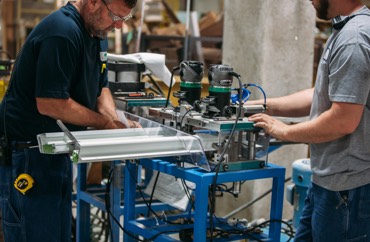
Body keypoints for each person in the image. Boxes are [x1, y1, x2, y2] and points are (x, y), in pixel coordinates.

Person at [0, 0, 138, 241]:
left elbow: (100, 88)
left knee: (59, 234)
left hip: (56, 152)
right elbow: (51, 103)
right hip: (28, 157)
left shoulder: (96, 32)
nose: (117, 26)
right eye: (115, 16)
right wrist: (105, 124)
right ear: (94, 2)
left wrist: (117, 123)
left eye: (123, 20)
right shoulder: (62, 33)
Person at [248, 0, 370, 241]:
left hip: (347, 188)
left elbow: (343, 121)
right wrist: (265, 105)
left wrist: (284, 132)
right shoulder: (344, 29)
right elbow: (321, 95)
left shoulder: (354, 38)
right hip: (328, 180)